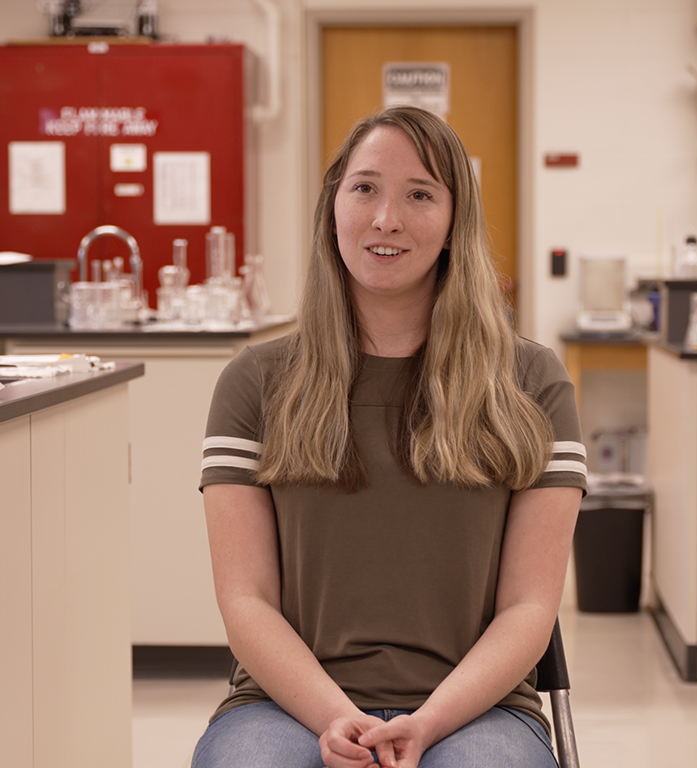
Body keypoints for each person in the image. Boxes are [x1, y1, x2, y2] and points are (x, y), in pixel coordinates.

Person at [193, 105, 587, 768]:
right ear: (333, 208)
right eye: (365, 188)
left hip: (478, 708)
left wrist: (427, 723)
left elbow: (529, 607)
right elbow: (247, 601)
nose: (386, 219)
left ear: (455, 222)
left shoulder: (530, 381)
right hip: (284, 704)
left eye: (420, 195)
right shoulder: (255, 381)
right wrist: (335, 718)